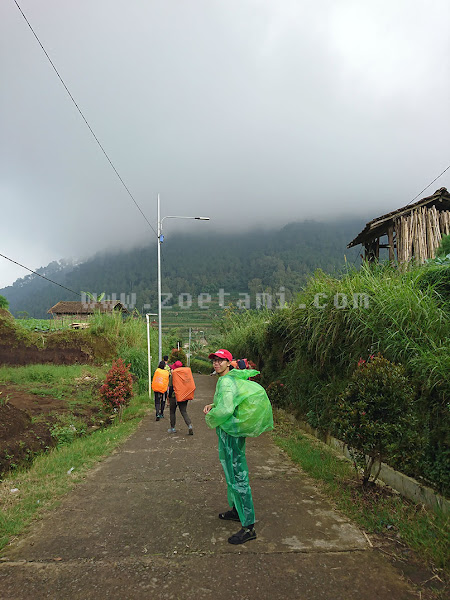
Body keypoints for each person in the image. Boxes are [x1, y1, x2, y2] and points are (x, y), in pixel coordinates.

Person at [203, 349, 273, 545]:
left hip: (231, 434)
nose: (216, 364)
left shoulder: (225, 382)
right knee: (232, 474)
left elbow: (225, 409)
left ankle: (248, 526)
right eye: (214, 361)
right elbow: (227, 402)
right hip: (231, 432)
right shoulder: (229, 379)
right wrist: (212, 404)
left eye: (220, 361)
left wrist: (211, 415)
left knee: (238, 475)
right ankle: (236, 510)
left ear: (228, 362)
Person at [168, 360, 195, 435]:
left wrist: (169, 397)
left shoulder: (174, 374)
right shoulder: (186, 374)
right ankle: (189, 426)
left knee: (172, 411)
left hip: (174, 396)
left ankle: (172, 428)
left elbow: (170, 387)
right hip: (184, 395)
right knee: (183, 411)